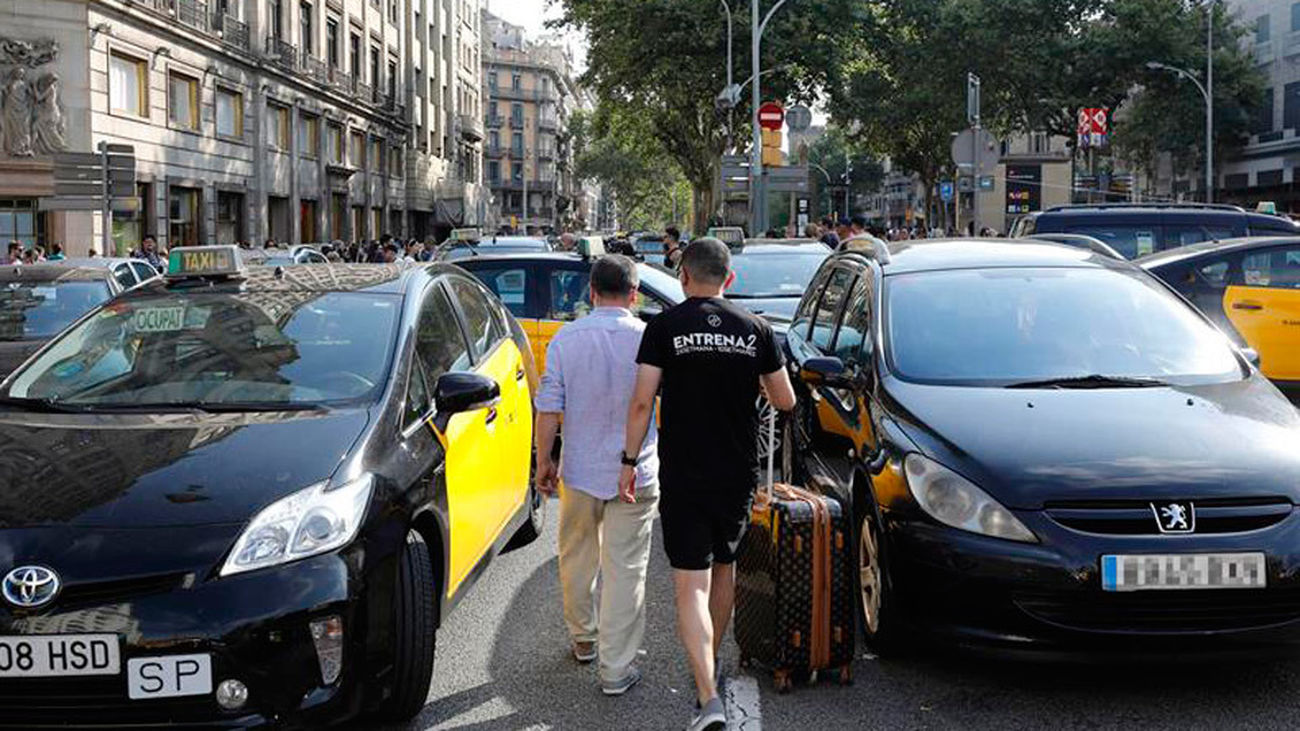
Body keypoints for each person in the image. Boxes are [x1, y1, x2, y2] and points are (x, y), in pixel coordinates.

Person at [620, 238, 795, 731]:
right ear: (729, 279)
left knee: (688, 584)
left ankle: (707, 694)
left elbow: (641, 402)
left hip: (685, 473)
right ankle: (710, 663)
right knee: (724, 571)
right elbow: (784, 400)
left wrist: (628, 460)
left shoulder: (665, 326)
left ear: (683, 277)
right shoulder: (755, 328)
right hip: (736, 472)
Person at [535, 255, 659, 697]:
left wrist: (544, 460)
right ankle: (616, 668)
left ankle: (583, 638)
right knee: (627, 569)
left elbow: (550, 403)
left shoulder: (567, 338)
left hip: (581, 468)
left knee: (576, 554)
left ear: (590, 292)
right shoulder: (648, 337)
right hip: (636, 470)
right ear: (634, 293)